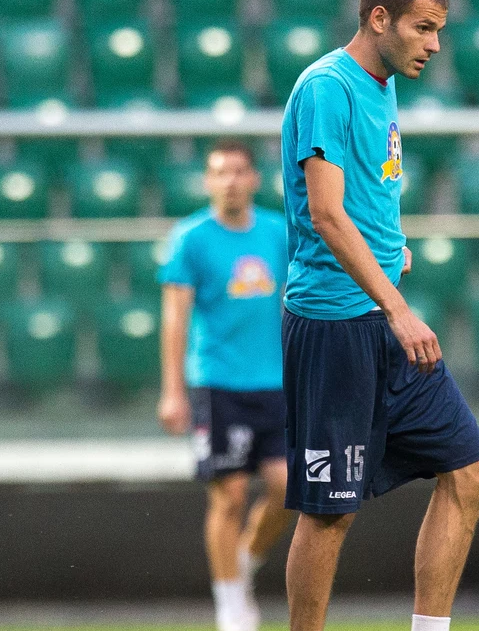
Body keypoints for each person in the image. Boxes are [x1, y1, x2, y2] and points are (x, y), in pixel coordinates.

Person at [278, 0, 479, 631]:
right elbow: (325, 213)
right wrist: (399, 306)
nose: (434, 44)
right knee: (330, 511)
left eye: (440, 31)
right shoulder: (326, 86)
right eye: (424, 28)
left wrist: (390, 247)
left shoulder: (383, 84)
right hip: (335, 324)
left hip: (380, 314)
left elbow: (363, 200)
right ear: (379, 20)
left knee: (473, 472)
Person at [157, 140, 296, 631]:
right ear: (207, 181)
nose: (230, 181)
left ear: (254, 179)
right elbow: (175, 317)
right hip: (217, 382)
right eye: (220, 172)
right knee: (229, 494)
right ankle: (231, 605)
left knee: (286, 487)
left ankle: (244, 565)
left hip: (276, 382)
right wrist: (173, 389)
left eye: (239, 172)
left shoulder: (279, 233)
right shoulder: (190, 238)